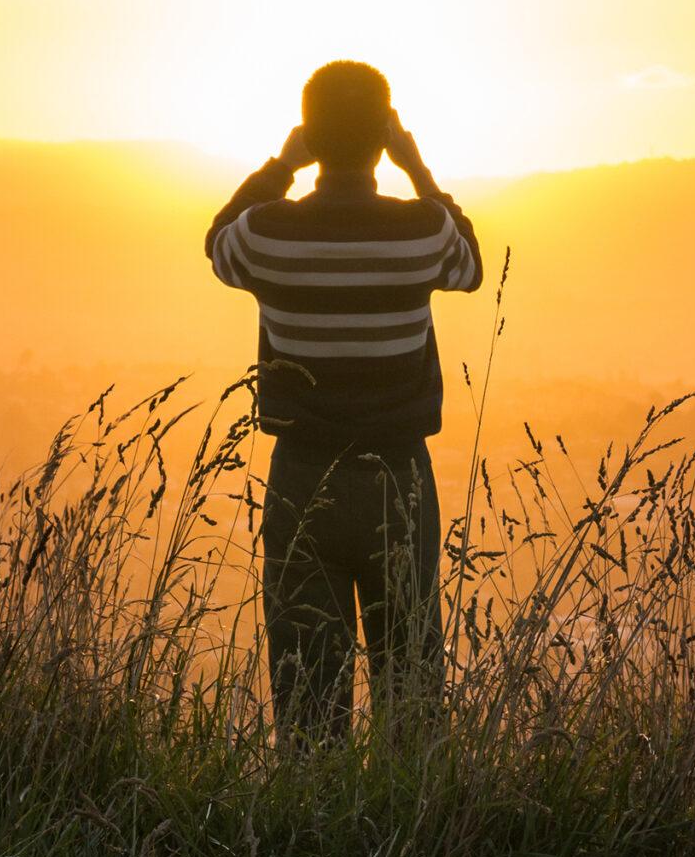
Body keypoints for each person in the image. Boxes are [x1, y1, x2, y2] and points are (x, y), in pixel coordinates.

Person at [205, 60, 485, 741]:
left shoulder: (269, 234)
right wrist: (418, 168)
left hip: (303, 475)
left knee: (307, 704)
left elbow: (218, 241)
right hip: (400, 479)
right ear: (384, 136)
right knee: (411, 693)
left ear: (310, 134)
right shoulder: (422, 230)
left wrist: (282, 164)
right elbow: (472, 266)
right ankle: (412, 841)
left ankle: (311, 834)